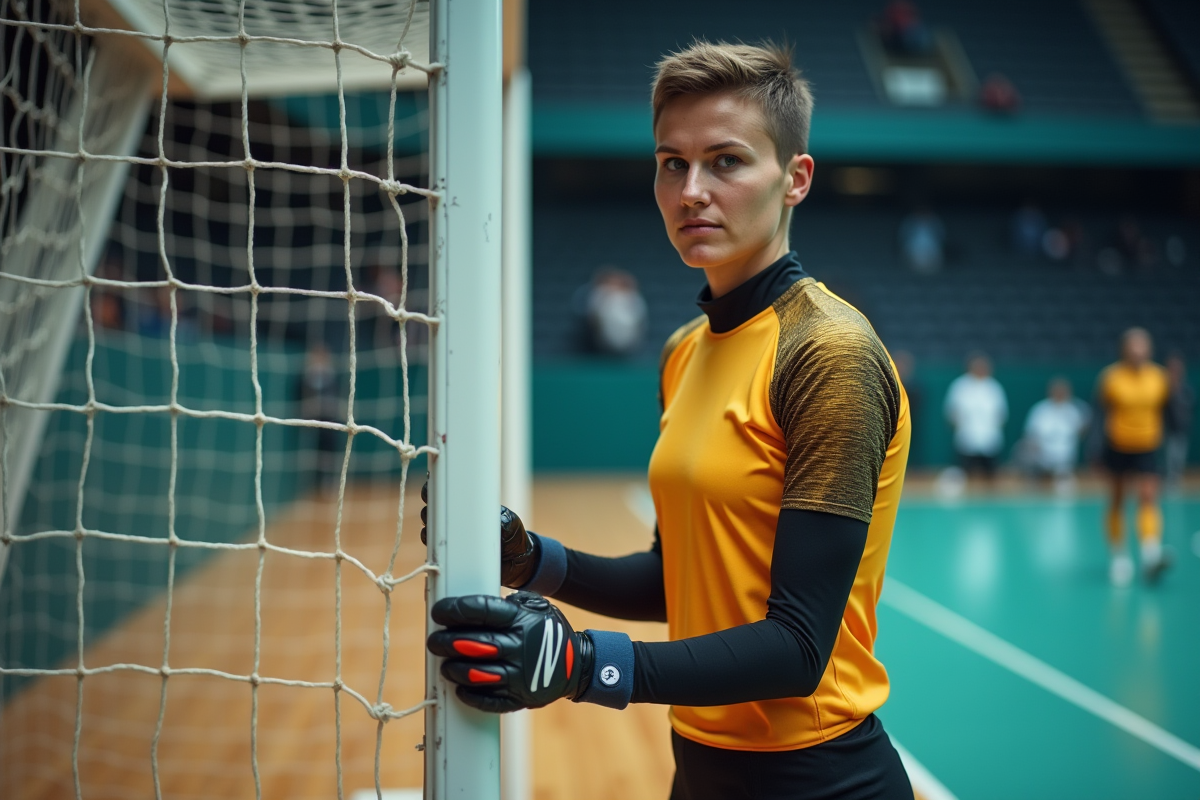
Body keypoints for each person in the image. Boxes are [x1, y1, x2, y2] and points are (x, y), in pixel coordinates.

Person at [425, 41, 914, 800]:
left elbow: (797, 646)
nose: (691, 191)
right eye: (671, 162)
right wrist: (534, 562)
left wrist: (583, 664)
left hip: (821, 779)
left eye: (726, 161)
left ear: (795, 179)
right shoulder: (685, 351)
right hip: (698, 767)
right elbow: (675, 579)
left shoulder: (829, 354)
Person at [1096, 328, 1172, 586]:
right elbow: (1099, 414)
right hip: (1117, 446)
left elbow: (1169, 412)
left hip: (1148, 446)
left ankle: (1151, 555)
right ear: (1124, 349)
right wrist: (1095, 450)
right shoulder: (1111, 378)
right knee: (1117, 499)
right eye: (1133, 346)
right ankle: (1119, 558)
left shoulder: (1159, 377)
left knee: (1148, 496)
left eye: (1143, 346)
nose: (1138, 351)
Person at [944, 353, 1007, 482]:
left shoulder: (994, 387)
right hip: (966, 439)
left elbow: (1001, 415)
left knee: (990, 477)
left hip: (989, 439)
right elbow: (952, 412)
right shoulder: (960, 386)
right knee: (964, 476)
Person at [1021, 378, 1089, 490]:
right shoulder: (1040, 409)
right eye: (1057, 391)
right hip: (1043, 455)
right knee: (1024, 451)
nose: (1059, 394)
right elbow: (1031, 435)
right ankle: (1034, 480)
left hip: (1065, 456)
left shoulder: (1073, 410)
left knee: (1064, 487)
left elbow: (1082, 431)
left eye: (1062, 391)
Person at [580, 267, 648, 356]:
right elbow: (593, 319)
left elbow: (639, 321)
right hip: (599, 346)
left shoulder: (633, 298)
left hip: (628, 345)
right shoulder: (599, 295)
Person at [1164, 353, 1193, 488]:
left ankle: (1175, 480)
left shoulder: (1185, 389)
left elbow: (1188, 406)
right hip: (1166, 430)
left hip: (1180, 429)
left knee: (1178, 457)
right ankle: (1169, 480)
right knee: (1169, 457)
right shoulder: (1164, 388)